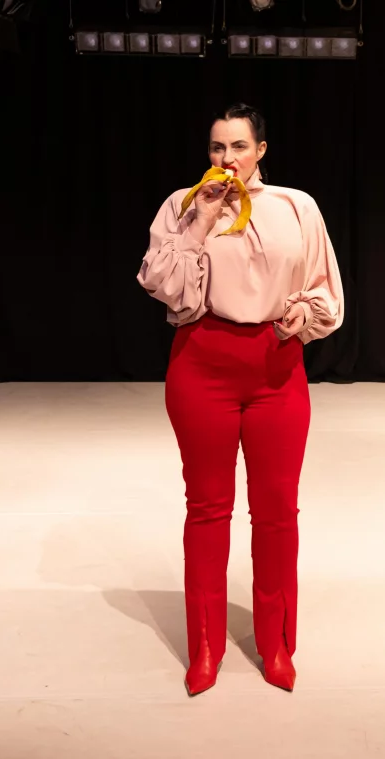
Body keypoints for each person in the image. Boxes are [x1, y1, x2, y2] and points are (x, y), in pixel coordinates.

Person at [136, 103, 344, 696]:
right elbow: (160, 282)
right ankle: (204, 646)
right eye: (216, 148)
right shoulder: (182, 204)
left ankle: (276, 643)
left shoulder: (295, 207)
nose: (226, 160)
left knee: (278, 513)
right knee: (207, 509)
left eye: (238, 147)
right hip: (202, 365)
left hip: (276, 371)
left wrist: (300, 314)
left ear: (261, 150)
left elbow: (324, 287)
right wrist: (199, 221)